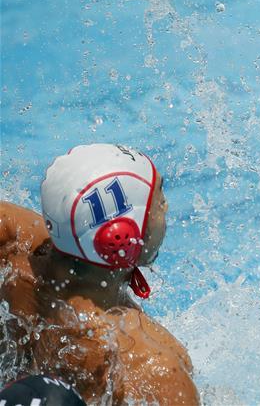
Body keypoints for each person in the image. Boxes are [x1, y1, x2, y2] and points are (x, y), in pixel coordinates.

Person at [0, 144, 199, 405]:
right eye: (159, 200)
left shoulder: (15, 252)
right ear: (121, 235)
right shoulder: (151, 368)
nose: (166, 207)